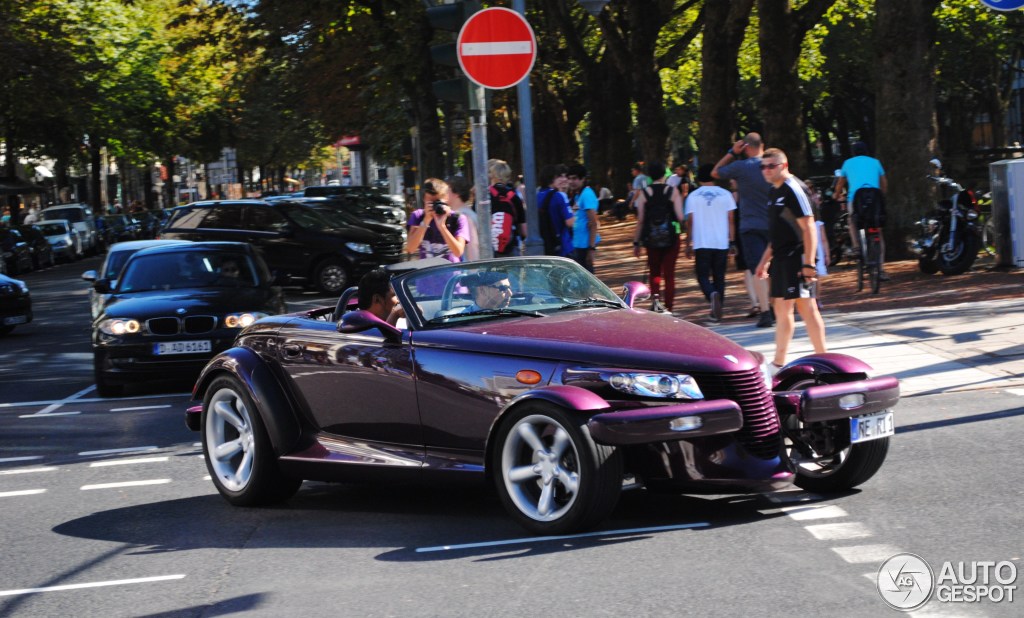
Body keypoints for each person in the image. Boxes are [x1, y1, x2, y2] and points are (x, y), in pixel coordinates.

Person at [754, 148, 827, 374]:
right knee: (782, 308)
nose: (766, 170)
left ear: (783, 166)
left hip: (798, 257)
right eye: (763, 166)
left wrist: (809, 263)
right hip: (782, 258)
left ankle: (824, 360)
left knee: (807, 308)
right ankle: (778, 362)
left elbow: (809, 228)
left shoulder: (793, 189)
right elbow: (778, 232)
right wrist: (765, 261)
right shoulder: (774, 191)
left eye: (771, 166)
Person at [712, 132, 774, 328]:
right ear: (762, 145)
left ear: (745, 146)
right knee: (772, 268)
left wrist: (732, 152)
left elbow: (716, 172)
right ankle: (774, 307)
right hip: (773, 224)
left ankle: (765, 312)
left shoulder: (740, 167)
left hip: (750, 225)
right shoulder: (772, 166)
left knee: (758, 269)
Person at [684, 163, 736, 322]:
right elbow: (731, 219)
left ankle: (711, 295)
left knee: (702, 276)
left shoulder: (693, 196)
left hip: (702, 242)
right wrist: (732, 241)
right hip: (721, 241)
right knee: (720, 276)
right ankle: (717, 308)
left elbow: (690, 222)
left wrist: (688, 242)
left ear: (699, 178)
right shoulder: (726, 194)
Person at [632, 161, 684, 312]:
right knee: (669, 274)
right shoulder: (673, 191)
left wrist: (636, 242)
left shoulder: (644, 193)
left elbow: (641, 220)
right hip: (671, 237)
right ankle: (669, 306)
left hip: (651, 238)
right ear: (664, 174)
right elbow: (680, 216)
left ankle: (656, 303)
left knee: (654, 273)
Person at [835, 141, 888, 278]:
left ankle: (856, 247)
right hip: (875, 199)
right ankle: (881, 269)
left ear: (853, 152)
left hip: (856, 199)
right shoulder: (876, 162)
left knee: (851, 220)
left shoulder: (847, 163)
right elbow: (884, 182)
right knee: (878, 231)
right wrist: (882, 195)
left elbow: (840, 183)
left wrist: (836, 194)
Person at [405, 178, 469, 263]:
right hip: (427, 274)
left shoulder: (457, 218)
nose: (434, 206)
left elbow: (458, 252)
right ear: (424, 199)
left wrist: (442, 226)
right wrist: (425, 221)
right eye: (431, 202)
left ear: (446, 198)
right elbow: (411, 248)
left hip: (453, 274)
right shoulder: (418, 216)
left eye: (437, 202)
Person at [487, 159, 526, 256]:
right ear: (507, 176)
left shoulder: (483, 197)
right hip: (512, 249)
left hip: (489, 249)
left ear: (491, 175)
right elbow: (524, 231)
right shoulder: (514, 197)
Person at [567, 163, 600, 273]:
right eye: (570, 178)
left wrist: (591, 249)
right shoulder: (578, 195)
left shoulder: (586, 194)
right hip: (578, 244)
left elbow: (593, 223)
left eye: (575, 178)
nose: (571, 181)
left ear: (583, 179)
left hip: (584, 246)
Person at [537, 164, 575, 257]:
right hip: (562, 246)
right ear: (552, 179)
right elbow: (570, 222)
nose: (563, 180)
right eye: (559, 177)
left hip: (544, 246)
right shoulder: (559, 196)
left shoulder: (535, 196)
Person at [446, 175, 479, 262]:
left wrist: (473, 273)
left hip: (468, 272)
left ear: (456, 194)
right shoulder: (462, 214)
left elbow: (473, 248)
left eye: (447, 190)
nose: (443, 193)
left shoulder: (465, 216)